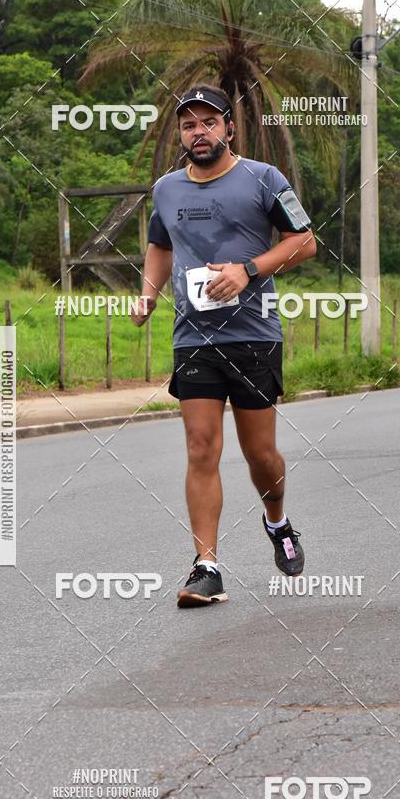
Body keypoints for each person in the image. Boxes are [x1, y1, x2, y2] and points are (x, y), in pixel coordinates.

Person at [131, 84, 316, 608]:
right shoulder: (166, 189)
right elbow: (159, 246)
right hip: (194, 337)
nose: (199, 132)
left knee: (259, 453)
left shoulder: (263, 178)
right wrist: (147, 296)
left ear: (229, 128)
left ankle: (277, 521)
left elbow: (305, 241)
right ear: (181, 134)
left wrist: (246, 270)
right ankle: (206, 566)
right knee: (200, 447)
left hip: (254, 334)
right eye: (189, 125)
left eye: (209, 122)